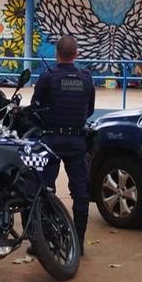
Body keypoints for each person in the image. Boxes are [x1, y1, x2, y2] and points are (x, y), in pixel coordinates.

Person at [31, 36, 96, 253]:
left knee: (45, 192)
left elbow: (35, 107)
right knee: (80, 193)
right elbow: (90, 110)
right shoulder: (86, 78)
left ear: (56, 54)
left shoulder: (48, 77)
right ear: (76, 54)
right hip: (77, 142)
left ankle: (45, 243)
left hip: (51, 141)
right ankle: (78, 242)